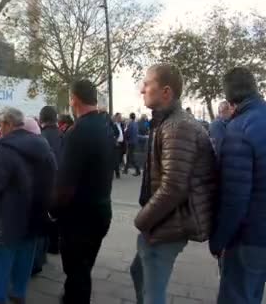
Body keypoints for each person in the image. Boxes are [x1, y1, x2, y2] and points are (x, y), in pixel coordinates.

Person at [130, 64, 217, 304]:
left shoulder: (178, 127)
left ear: (166, 92)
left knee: (152, 293)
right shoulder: (166, 123)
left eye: (147, 84)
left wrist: (142, 221)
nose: (142, 89)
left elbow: (174, 187)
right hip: (162, 221)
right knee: (139, 274)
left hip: (168, 225)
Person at [0, 108, 56, 304]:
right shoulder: (43, 146)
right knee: (24, 258)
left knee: (0, 261)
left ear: (8, 125)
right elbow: (52, 180)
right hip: (34, 216)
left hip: (5, 219)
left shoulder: (3, 151)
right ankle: (19, 293)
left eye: (0, 125)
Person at [54, 80, 115, 304]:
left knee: (77, 272)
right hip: (101, 210)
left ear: (74, 99)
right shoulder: (106, 125)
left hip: (79, 217)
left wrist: (53, 211)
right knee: (83, 268)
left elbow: (66, 184)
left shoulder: (77, 131)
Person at [210, 67, 266, 304]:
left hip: (249, 237)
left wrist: (219, 240)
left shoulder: (239, 128)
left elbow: (235, 197)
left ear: (229, 95)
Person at [37, 106, 65, 265]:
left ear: (42, 119)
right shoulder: (63, 135)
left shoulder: (41, 137)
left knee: (46, 216)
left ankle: (48, 248)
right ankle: (56, 245)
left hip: (47, 183)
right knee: (57, 216)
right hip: (63, 182)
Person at [112, 113, 125, 179]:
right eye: (119, 117)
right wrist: (115, 140)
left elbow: (123, 133)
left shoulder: (122, 125)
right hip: (115, 145)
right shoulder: (113, 125)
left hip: (122, 144)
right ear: (116, 118)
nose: (120, 118)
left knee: (119, 159)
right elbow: (112, 134)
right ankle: (117, 173)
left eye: (121, 117)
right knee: (116, 159)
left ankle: (116, 171)